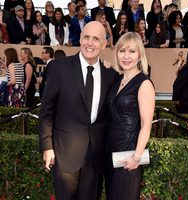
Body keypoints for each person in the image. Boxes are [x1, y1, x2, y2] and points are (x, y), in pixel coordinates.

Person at [39, 21, 117, 200]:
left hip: (95, 157)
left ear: (104, 44)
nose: (90, 43)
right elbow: (46, 111)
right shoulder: (59, 68)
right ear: (80, 39)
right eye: (86, 37)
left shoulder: (110, 75)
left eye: (96, 39)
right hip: (64, 153)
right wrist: (47, 147)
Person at [104, 32, 155, 200]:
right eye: (122, 51)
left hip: (129, 154)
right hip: (110, 151)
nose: (126, 56)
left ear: (140, 55)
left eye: (132, 51)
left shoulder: (144, 83)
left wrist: (137, 157)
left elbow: (146, 125)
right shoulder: (117, 80)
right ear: (116, 53)